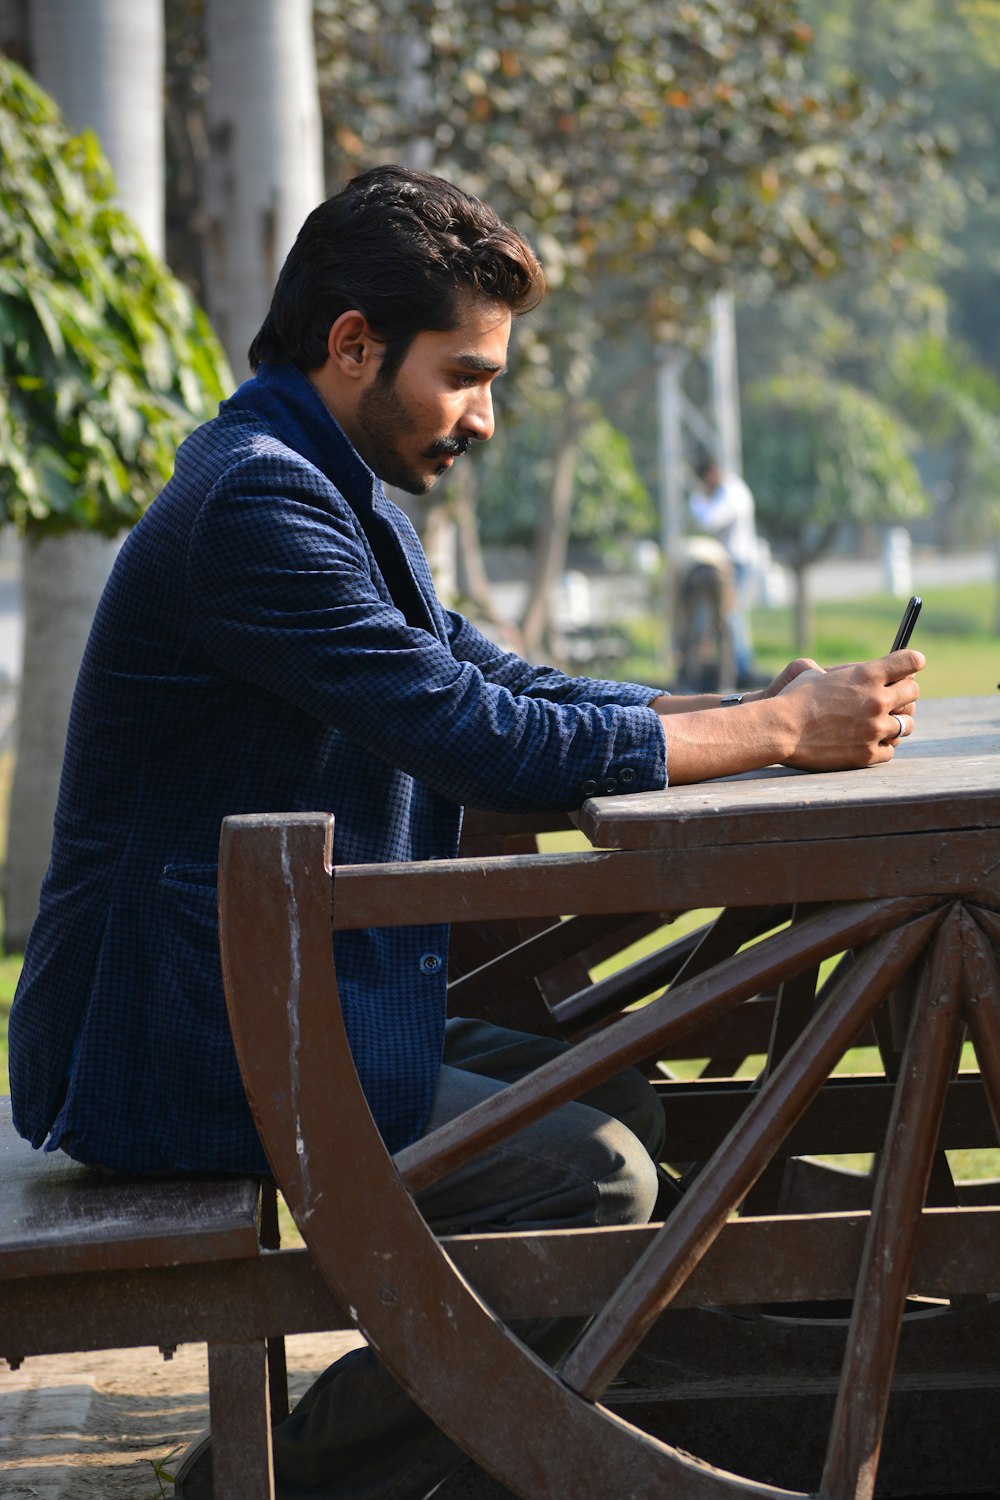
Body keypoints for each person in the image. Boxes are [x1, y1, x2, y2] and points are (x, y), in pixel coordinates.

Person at [8, 166, 923, 1499]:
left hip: (263, 998)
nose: (484, 415)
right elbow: (474, 734)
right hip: (172, 1039)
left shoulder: (326, 483)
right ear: (353, 344)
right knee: (591, 1181)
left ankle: (503, 1425)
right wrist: (782, 739)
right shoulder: (261, 508)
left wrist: (759, 704)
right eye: (466, 374)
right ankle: (287, 1479)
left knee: (615, 1096)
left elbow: (516, 686)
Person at [689, 455, 759, 686]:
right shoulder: (731, 489)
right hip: (733, 560)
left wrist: (696, 500)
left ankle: (741, 669)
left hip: (735, 561)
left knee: (730, 617)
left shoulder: (731, 492)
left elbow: (710, 520)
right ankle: (736, 667)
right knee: (730, 616)